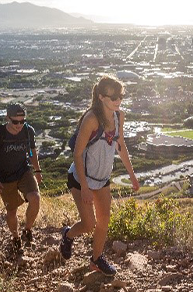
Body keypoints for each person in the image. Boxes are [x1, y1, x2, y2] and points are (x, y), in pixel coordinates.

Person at [59, 76, 139, 276]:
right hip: (80, 179)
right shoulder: (91, 119)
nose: (118, 101)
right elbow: (77, 154)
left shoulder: (119, 116)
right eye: (114, 97)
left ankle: (96, 259)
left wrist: (132, 176)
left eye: (120, 96)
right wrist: (84, 186)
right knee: (88, 225)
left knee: (104, 220)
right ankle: (68, 235)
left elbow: (121, 146)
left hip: (102, 179)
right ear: (101, 97)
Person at [0, 103, 42, 254]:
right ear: (7, 118)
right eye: (16, 121)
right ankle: (15, 237)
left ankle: (27, 229)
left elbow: (32, 152)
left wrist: (37, 170)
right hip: (4, 177)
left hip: (23, 171)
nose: (19, 125)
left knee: (35, 198)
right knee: (12, 210)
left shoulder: (28, 131)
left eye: (22, 121)